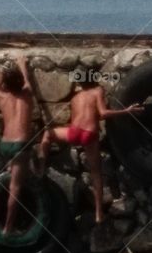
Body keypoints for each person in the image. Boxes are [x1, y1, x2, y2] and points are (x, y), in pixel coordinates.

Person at [38, 68, 144, 224]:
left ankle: (40, 168)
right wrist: (126, 111)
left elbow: (75, 117)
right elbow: (103, 113)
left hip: (74, 133)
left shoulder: (76, 97)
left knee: (48, 134)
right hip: (89, 134)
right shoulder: (97, 91)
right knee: (96, 173)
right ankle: (99, 213)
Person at [0, 55, 36, 235]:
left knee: (19, 166)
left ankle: (14, 166)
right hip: (21, 146)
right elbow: (26, 78)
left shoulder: (1, 96)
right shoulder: (27, 94)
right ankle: (8, 228)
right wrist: (21, 63)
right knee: (15, 187)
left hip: (5, 145)